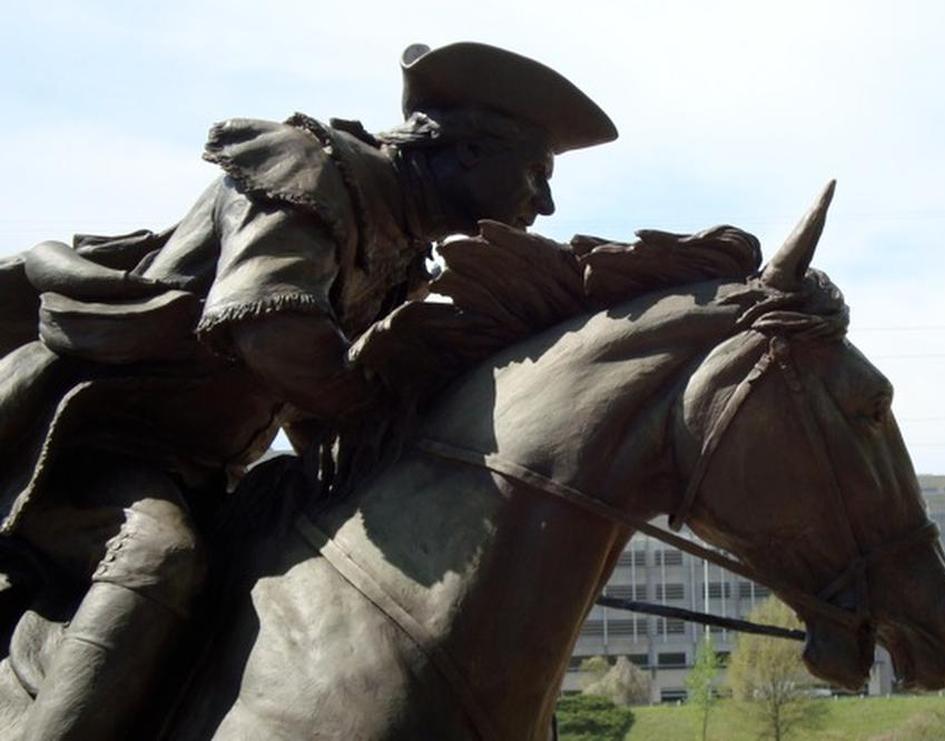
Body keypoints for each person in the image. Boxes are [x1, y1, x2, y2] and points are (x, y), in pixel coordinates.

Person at [0, 41, 616, 739]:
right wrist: (369, 404)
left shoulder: (403, 258)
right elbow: (270, 327)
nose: (547, 200)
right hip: (92, 448)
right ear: (469, 150)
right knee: (157, 560)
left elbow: (328, 408)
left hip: (207, 478)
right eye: (537, 171)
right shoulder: (306, 168)